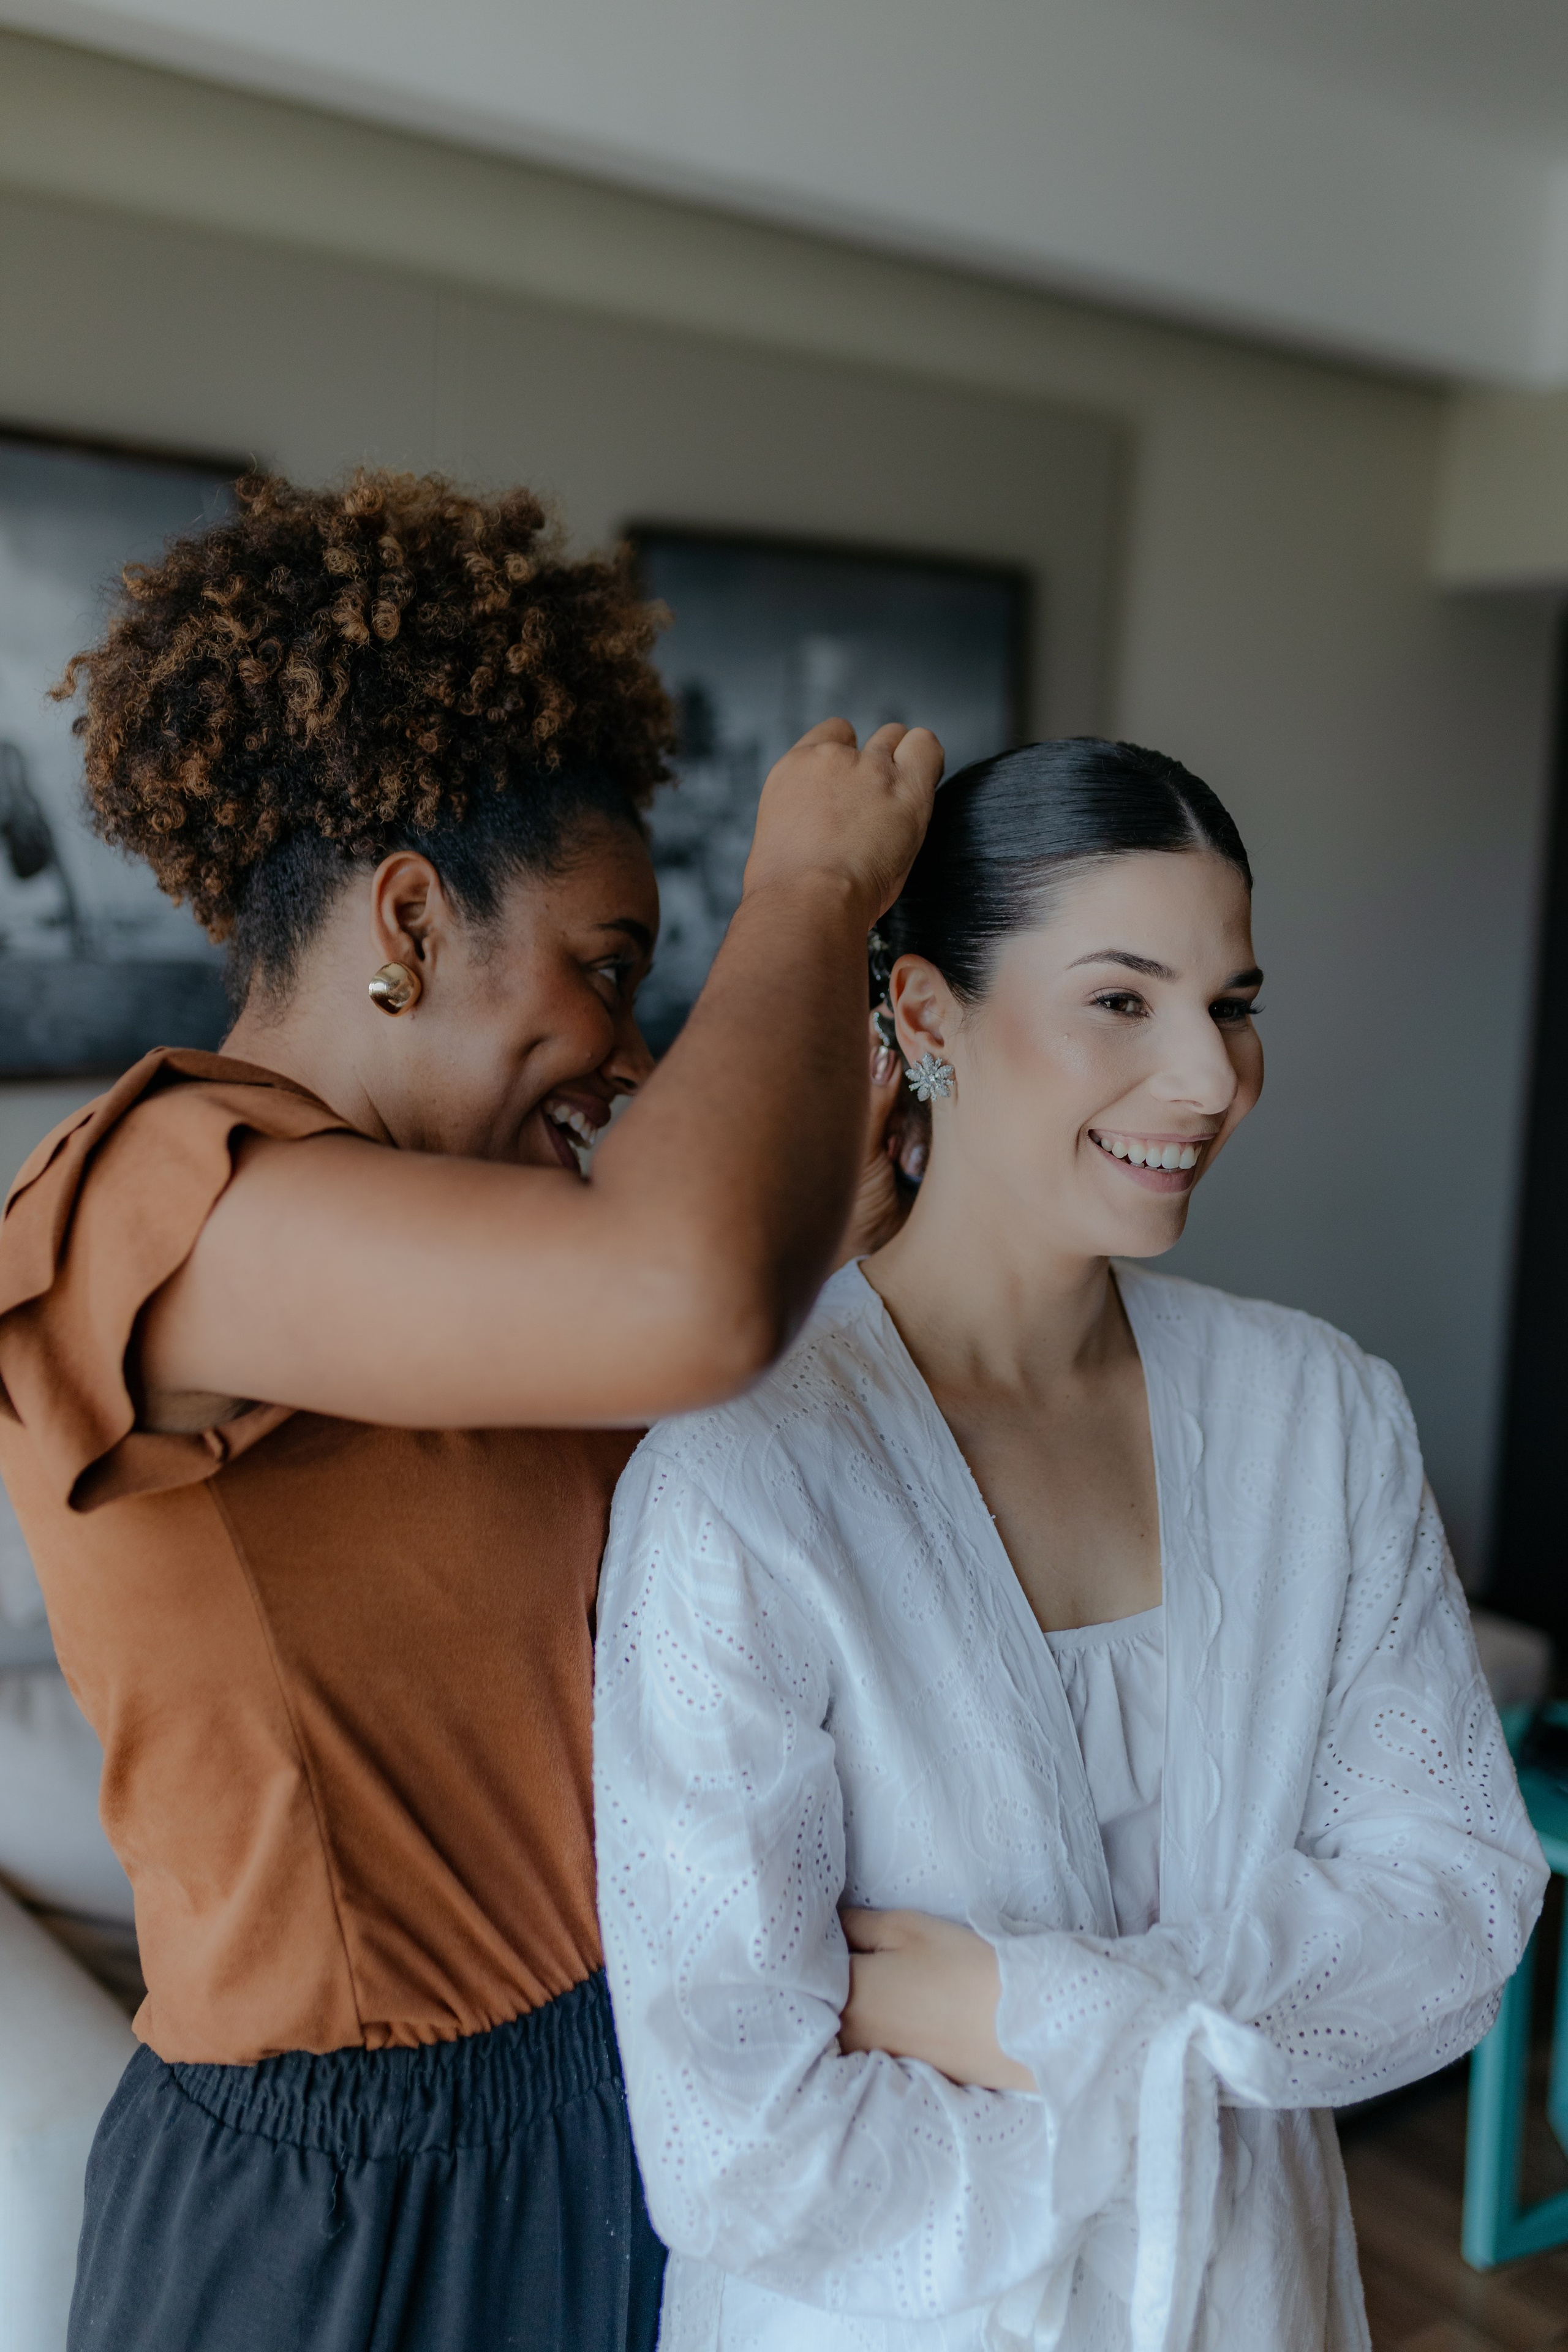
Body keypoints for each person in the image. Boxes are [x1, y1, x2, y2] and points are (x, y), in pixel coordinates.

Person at [0, 469, 939, 2352]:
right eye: (606, 968)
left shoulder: (500, 1276)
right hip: (343, 2207)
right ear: (411, 918)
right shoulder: (150, 1193)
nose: (629, 1051)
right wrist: (807, 890)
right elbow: (685, 1299)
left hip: (616, 2112)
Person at [593, 736, 1548, 2352]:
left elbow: (1454, 1910)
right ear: (924, 1019)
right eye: (1122, 1000)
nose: (1209, 1079)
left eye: (1232, 1005)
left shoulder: (1322, 1414)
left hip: (1258, 2306)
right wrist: (1196, 2058)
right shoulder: (745, 1476)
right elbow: (734, 2139)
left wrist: (1039, 2015)